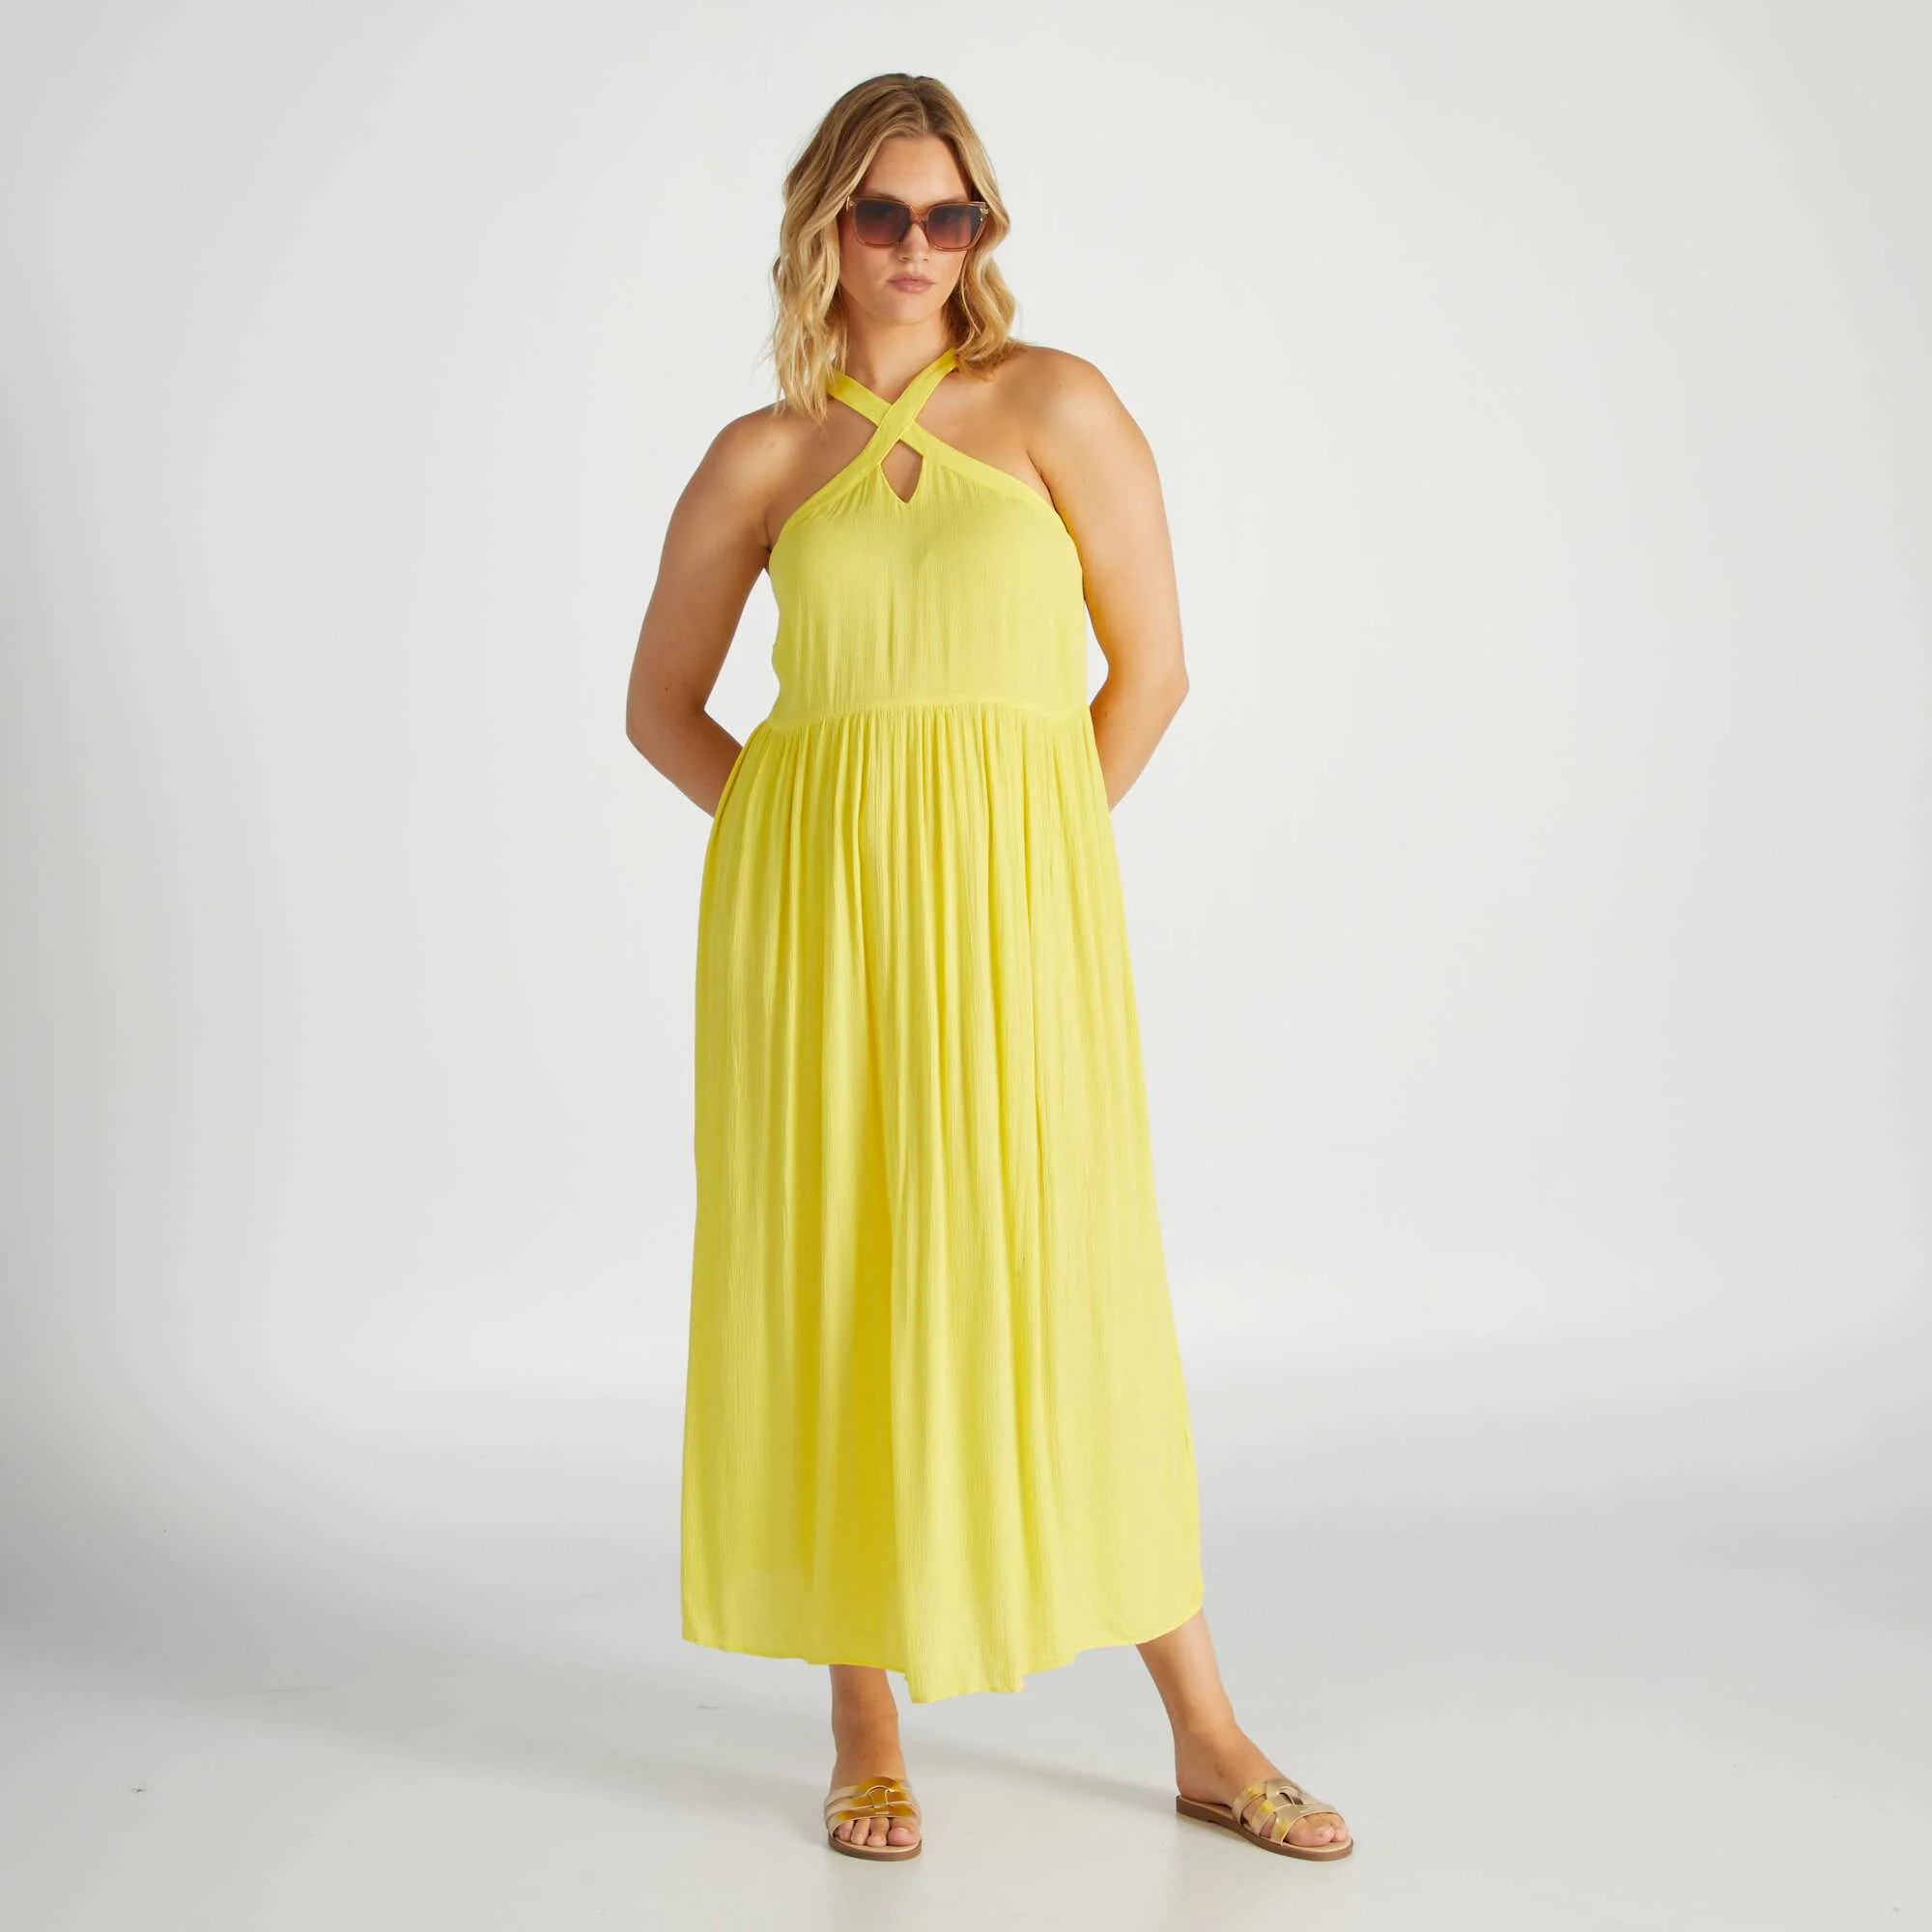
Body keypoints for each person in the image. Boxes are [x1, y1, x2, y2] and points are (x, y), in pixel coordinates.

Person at [625, 71, 1352, 1866]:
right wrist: (801, 856)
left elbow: (1150, 672)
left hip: (1022, 923)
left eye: (953, 216)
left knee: (1068, 1279)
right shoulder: (762, 455)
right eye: (885, 214)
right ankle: (864, 1723)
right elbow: (661, 709)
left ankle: (1208, 1733)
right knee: (841, 1278)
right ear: (825, 225)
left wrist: (1030, 862)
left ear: (983, 231)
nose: (920, 247)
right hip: (813, 941)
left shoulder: (1053, 404)